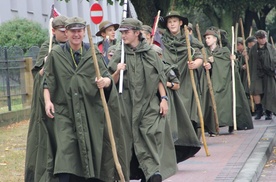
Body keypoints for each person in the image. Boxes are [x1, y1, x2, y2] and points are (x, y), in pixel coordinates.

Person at [43, 16, 128, 182]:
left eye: (79, 31)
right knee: (66, 151)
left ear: (83, 32)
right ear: (66, 33)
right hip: (65, 112)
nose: (76, 34)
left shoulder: (93, 52)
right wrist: (48, 101)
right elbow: (48, 81)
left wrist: (106, 81)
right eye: (72, 31)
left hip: (90, 112)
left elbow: (107, 77)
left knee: (91, 154)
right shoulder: (56, 54)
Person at [108, 18, 177, 182]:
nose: (123, 35)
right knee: (127, 142)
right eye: (122, 32)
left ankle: (153, 173)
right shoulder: (120, 54)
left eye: (127, 32)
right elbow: (109, 81)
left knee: (149, 136)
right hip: (126, 106)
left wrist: (164, 98)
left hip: (148, 105)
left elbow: (159, 77)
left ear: (137, 33)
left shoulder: (151, 53)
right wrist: (118, 71)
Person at [25, 15, 68, 182]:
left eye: (67, 30)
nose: (66, 34)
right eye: (62, 31)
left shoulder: (70, 47)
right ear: (54, 31)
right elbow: (37, 77)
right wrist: (45, 64)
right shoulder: (47, 47)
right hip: (48, 102)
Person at [151, 44, 201, 162]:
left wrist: (165, 83)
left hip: (168, 101)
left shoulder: (167, 68)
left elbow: (177, 85)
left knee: (168, 129)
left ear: (160, 56)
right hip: (153, 102)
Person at [160, 10, 203, 134]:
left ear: (180, 23)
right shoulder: (162, 41)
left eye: (174, 21)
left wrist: (195, 64)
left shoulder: (188, 39)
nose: (172, 24)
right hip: (170, 80)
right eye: (169, 22)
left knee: (188, 107)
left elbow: (199, 56)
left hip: (187, 79)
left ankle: (191, 138)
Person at [203, 29, 253, 132]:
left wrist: (233, 60)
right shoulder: (204, 52)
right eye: (206, 38)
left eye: (209, 38)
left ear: (215, 39)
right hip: (211, 82)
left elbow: (233, 67)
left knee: (228, 103)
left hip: (225, 82)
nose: (207, 40)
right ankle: (213, 126)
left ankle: (231, 123)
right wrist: (207, 63)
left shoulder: (224, 51)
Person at [248, 30, 276, 120]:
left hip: (268, 73)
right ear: (257, 39)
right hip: (257, 73)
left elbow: (274, 59)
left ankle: (268, 112)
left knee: (269, 92)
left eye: (264, 37)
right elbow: (251, 61)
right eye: (261, 38)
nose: (263, 39)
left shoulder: (270, 47)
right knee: (256, 91)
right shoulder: (253, 49)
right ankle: (259, 111)